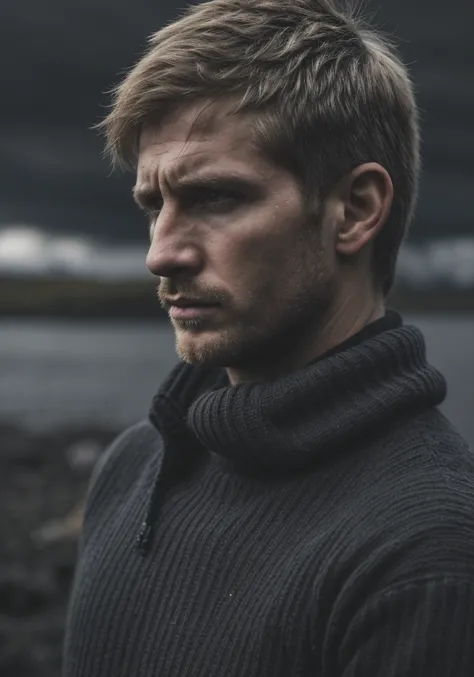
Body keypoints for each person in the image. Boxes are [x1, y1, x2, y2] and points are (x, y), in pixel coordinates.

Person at [63, 1, 474, 675]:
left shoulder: (428, 556)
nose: (160, 254)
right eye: (152, 205)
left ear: (356, 209)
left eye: (216, 197)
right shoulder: (132, 467)